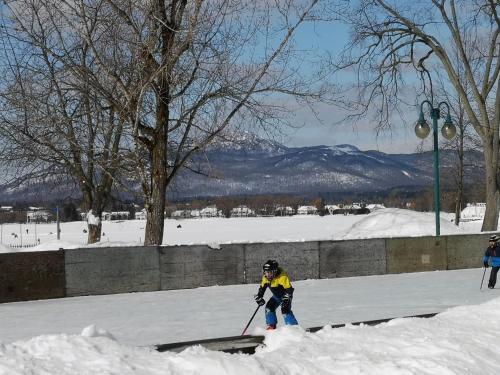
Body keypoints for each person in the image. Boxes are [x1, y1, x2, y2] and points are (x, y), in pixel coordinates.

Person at [254, 259, 298, 330]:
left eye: (270, 273)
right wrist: (259, 297)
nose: (267, 275)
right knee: (269, 308)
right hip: (276, 296)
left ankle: (293, 327)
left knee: (285, 309)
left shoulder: (282, 277)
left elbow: (289, 289)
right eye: (265, 272)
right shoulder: (266, 278)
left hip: (285, 296)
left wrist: (287, 297)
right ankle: (271, 325)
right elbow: (262, 288)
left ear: (275, 271)